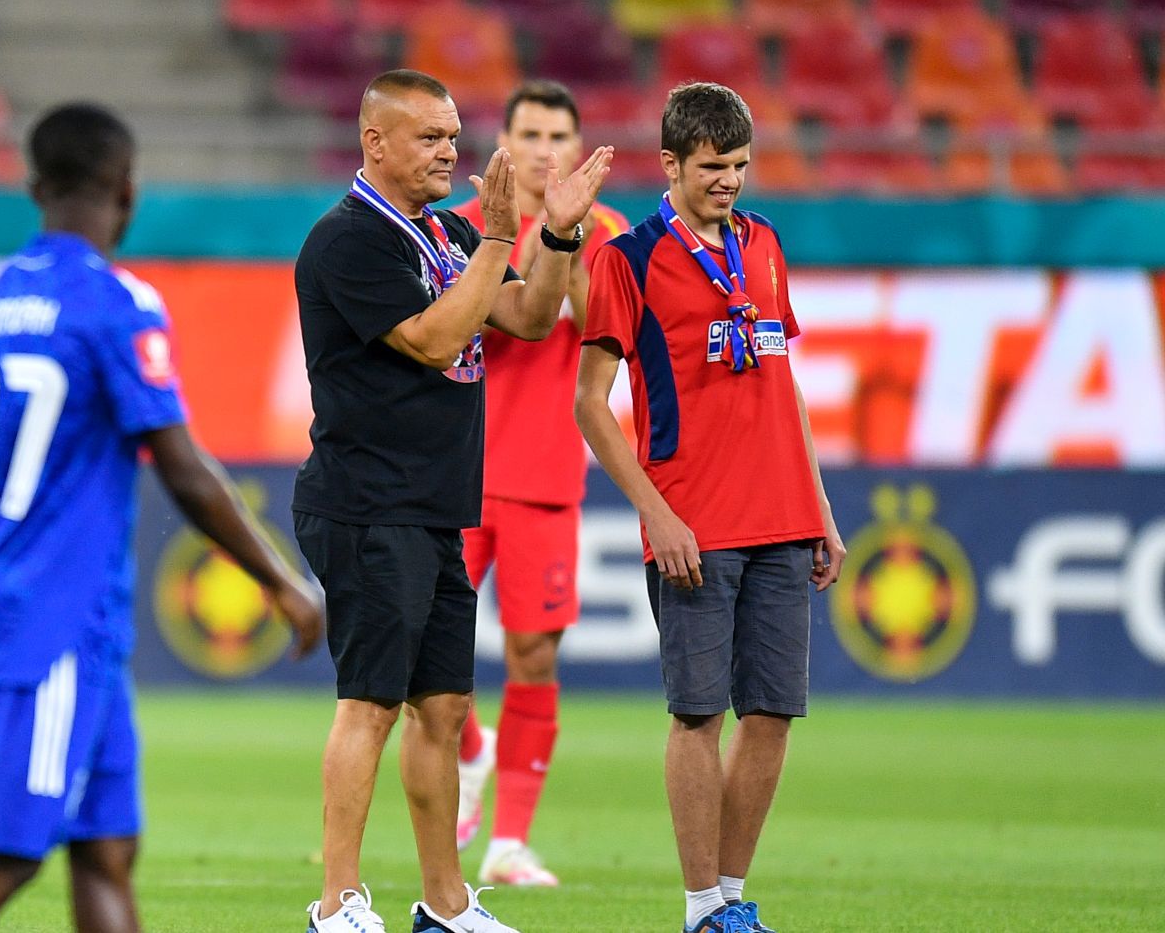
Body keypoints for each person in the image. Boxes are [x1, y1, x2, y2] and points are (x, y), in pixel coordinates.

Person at [0, 102, 324, 933]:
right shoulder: (114, 303)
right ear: (126, 188)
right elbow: (185, 470)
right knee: (6, 856)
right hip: (52, 624)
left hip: (51, 616)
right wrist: (281, 579)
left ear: (33, 187)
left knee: (105, 849)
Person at [291, 69, 611, 933]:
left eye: (451, 134)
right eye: (430, 136)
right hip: (366, 503)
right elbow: (436, 341)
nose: (448, 150)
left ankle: (446, 903)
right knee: (369, 703)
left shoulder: (433, 233)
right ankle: (339, 902)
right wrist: (502, 239)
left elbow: (533, 319)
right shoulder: (349, 239)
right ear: (375, 144)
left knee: (443, 707)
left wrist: (560, 232)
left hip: (430, 506)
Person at [574, 82, 846, 933]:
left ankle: (729, 899)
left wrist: (822, 509)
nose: (727, 182)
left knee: (771, 716)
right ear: (670, 164)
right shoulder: (629, 258)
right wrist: (654, 514)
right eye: (710, 168)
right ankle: (700, 908)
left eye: (737, 166)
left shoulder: (764, 243)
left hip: (781, 515)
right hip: (693, 522)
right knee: (698, 713)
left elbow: (782, 381)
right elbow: (591, 402)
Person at [451, 79, 629, 887]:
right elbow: (505, 316)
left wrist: (573, 231)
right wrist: (534, 236)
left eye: (560, 135)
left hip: (545, 471)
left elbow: (600, 325)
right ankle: (470, 751)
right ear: (505, 140)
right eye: (530, 133)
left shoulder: (611, 231)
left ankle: (508, 845)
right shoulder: (458, 225)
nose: (545, 149)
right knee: (428, 652)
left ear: (576, 144)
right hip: (453, 469)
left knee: (532, 655)